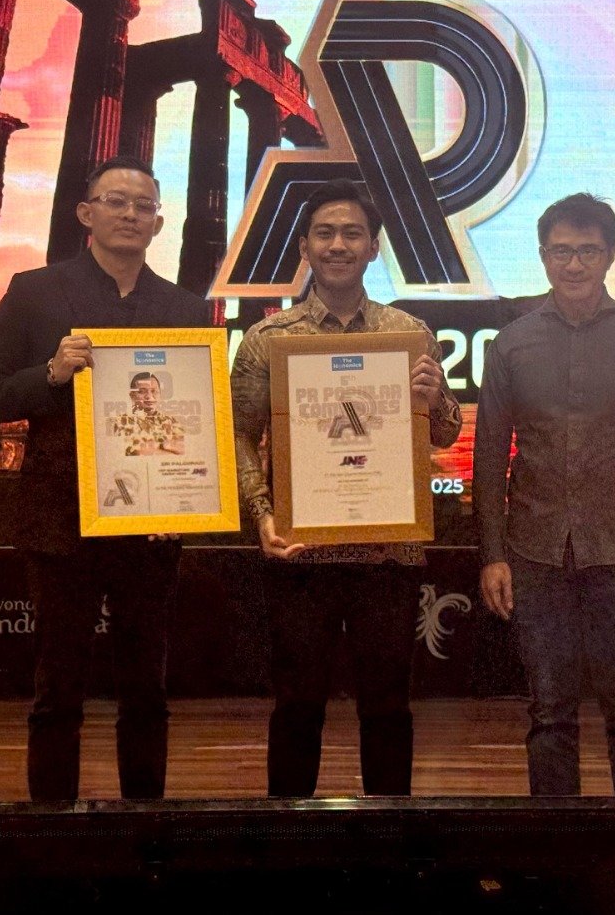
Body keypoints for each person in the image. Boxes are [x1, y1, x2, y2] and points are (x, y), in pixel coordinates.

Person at [0, 155, 208, 801]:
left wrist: (182, 500)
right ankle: (53, 829)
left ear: (158, 223)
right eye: (115, 201)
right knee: (57, 693)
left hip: (150, 524)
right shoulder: (34, 292)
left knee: (147, 693)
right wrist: (49, 374)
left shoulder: (185, 309)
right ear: (85, 213)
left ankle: (145, 824)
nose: (130, 214)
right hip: (59, 520)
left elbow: (193, 418)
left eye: (144, 206)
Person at [230, 179, 463, 797]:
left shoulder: (408, 332)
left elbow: (444, 432)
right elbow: (239, 437)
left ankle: (389, 833)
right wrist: (262, 513)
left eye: (352, 233)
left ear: (373, 246)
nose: (338, 245)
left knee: (388, 707)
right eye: (325, 233)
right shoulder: (268, 339)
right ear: (304, 246)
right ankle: (289, 835)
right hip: (299, 553)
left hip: (387, 554)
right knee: (296, 705)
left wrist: (433, 396)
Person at [474, 192, 615, 800]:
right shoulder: (511, 345)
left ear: (610, 255)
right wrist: (492, 554)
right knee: (549, 712)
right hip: (535, 552)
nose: (574, 264)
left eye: (588, 251)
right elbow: (490, 457)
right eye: (561, 251)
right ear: (543, 256)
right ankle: (557, 851)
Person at [111, 372, 186, 456]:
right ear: (132, 396)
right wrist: (167, 448)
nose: (149, 396)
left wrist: (159, 448)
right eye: (142, 392)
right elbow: (141, 453)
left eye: (154, 391)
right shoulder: (122, 421)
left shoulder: (170, 420)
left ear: (160, 394)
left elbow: (184, 448)